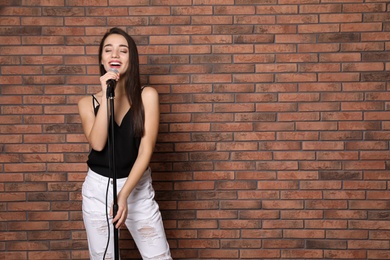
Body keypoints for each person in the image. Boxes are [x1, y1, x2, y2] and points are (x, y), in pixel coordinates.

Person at [78, 27, 172, 260]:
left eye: (123, 50)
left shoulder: (147, 96)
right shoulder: (87, 103)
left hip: (136, 187)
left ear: (132, 58)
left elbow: (145, 150)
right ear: (101, 59)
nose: (115, 55)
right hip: (97, 190)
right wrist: (106, 95)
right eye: (108, 50)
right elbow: (98, 144)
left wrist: (123, 196)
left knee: (158, 257)